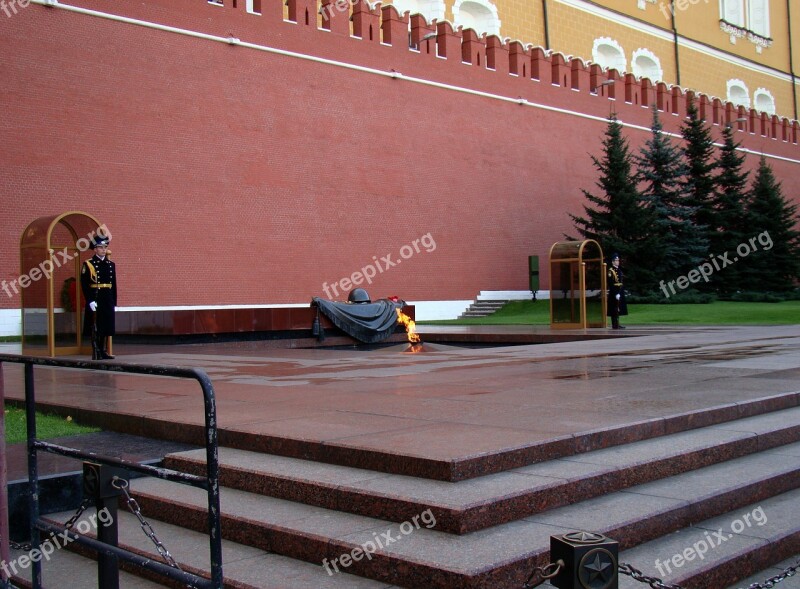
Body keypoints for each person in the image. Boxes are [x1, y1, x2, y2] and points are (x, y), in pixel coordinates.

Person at [81, 234, 117, 359]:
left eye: (105, 247)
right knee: (96, 326)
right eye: (101, 247)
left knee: (107, 325)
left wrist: (114, 302)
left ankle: (103, 350)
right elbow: (85, 284)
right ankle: (96, 351)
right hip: (96, 297)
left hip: (107, 297)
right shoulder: (89, 264)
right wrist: (90, 300)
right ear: (95, 249)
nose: (103, 249)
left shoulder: (110, 264)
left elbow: (113, 285)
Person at [607, 252, 627, 329]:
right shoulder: (611, 271)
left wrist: (620, 292)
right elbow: (611, 283)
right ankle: (614, 324)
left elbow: (621, 281)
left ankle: (617, 323)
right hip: (614, 292)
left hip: (619, 291)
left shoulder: (619, 270)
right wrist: (615, 293)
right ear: (612, 261)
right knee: (614, 308)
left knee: (618, 308)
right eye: (616, 260)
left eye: (618, 260)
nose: (617, 261)